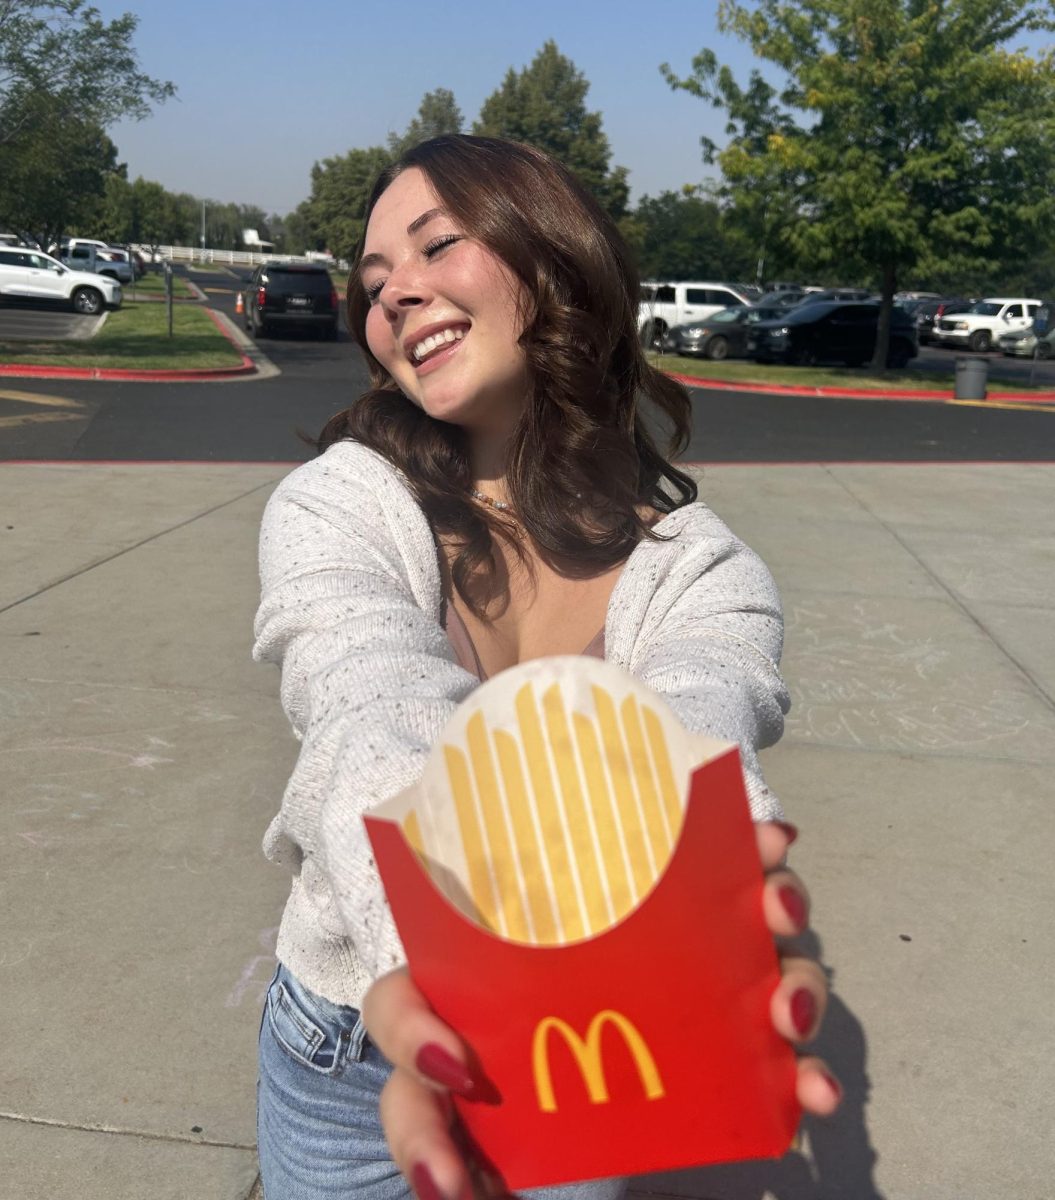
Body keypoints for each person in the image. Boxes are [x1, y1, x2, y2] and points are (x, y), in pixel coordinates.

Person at [253, 134, 839, 1200]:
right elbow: (366, 705)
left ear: (552, 257)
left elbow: (699, 726)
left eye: (438, 246)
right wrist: (441, 964)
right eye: (375, 282)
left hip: (584, 1038)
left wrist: (719, 888)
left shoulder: (698, 569)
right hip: (347, 1047)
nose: (395, 295)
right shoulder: (337, 504)